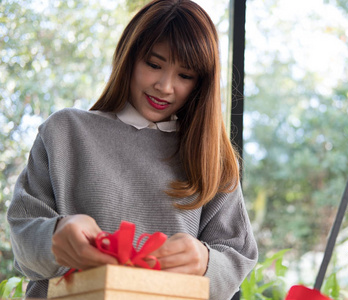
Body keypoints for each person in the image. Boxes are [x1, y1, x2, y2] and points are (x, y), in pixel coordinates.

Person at [7, 0, 258, 299]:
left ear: (201, 84)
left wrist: (205, 261)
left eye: (185, 75)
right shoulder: (64, 131)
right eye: (154, 65)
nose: (165, 86)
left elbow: (237, 256)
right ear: (128, 57)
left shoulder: (212, 158)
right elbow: (23, 236)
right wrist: (55, 235)